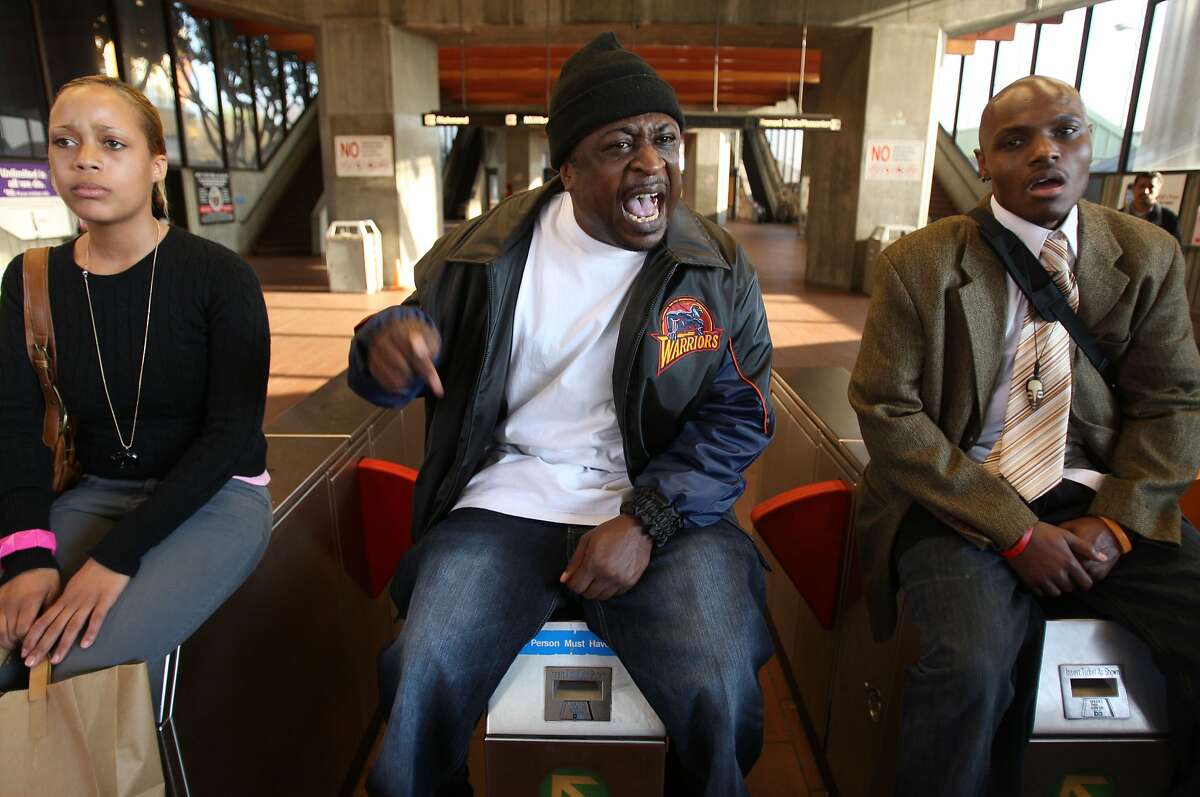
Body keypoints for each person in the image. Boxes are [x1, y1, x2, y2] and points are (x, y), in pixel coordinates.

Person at [348, 33, 774, 797]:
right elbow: (400, 340)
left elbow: (738, 414)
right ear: (568, 169)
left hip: (668, 505)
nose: (651, 163)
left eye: (665, 138)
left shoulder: (712, 266)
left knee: (721, 678)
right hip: (510, 497)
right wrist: (382, 348)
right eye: (620, 144)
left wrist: (646, 520)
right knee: (422, 669)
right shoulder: (481, 255)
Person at [849, 75, 1200, 796]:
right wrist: (1013, 530)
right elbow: (888, 409)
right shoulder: (919, 264)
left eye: (1065, 131)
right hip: (959, 499)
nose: (1046, 152)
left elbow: (1171, 401)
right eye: (1016, 141)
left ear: (1089, 144)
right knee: (970, 667)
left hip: (1096, 495)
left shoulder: (1147, 255)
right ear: (983, 162)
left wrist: (1118, 525)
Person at [0, 76, 272, 710]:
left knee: (83, 672)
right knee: (11, 642)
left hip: (216, 498)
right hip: (93, 491)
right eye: (65, 141)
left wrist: (112, 560)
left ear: (156, 164)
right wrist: (25, 556)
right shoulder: (32, 278)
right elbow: (15, 427)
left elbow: (230, 435)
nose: (85, 158)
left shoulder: (219, 277)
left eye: (111, 142)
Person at [1122, 170, 1182, 242]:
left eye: (1151, 187)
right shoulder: (1118, 215)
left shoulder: (1168, 219)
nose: (1145, 191)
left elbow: (1176, 250)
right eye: (1142, 186)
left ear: (1159, 191)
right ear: (1134, 188)